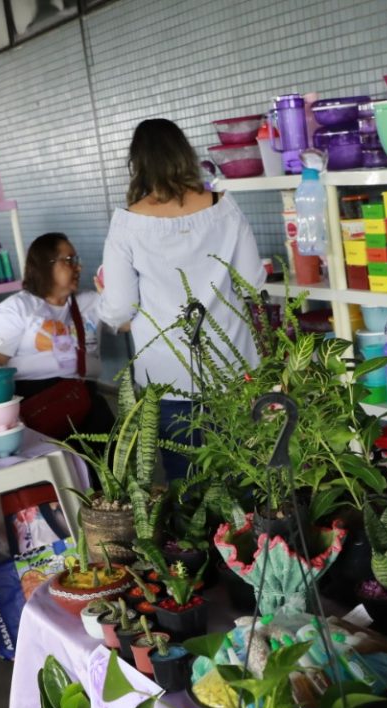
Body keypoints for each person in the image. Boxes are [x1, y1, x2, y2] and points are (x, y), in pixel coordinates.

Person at [96, 118, 265, 476]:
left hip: (168, 374)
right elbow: (252, 282)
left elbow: (121, 306)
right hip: (233, 366)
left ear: (136, 164)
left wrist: (103, 301)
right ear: (185, 155)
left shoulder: (128, 222)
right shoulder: (223, 206)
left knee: (187, 484)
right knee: (247, 475)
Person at [0, 232, 112, 438]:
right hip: (36, 403)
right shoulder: (17, 308)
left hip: (84, 397)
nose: (78, 267)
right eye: (70, 260)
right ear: (45, 264)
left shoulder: (91, 302)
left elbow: (127, 324)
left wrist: (115, 294)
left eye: (76, 260)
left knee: (107, 435)